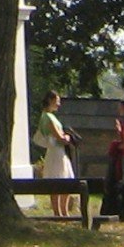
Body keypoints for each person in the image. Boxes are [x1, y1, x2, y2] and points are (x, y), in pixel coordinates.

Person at [35, 91, 79, 219]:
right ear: (50, 100)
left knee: (66, 179)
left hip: (59, 151)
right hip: (55, 152)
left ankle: (64, 212)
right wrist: (67, 137)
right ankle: (58, 212)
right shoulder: (47, 117)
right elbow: (59, 137)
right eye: (57, 101)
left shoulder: (50, 116)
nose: (59, 104)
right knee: (57, 179)